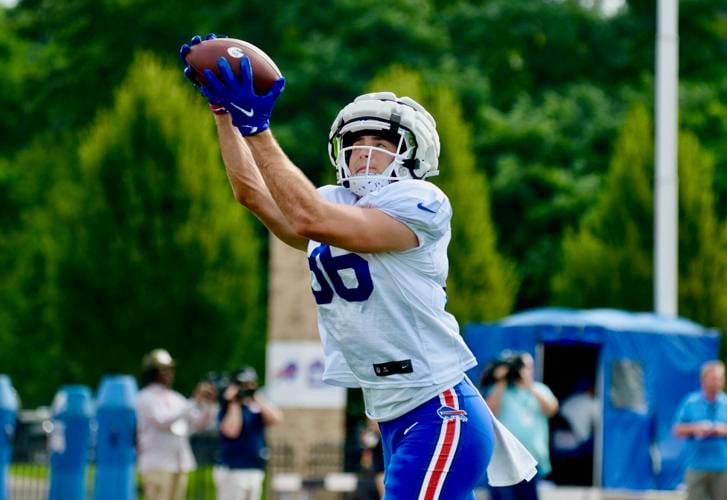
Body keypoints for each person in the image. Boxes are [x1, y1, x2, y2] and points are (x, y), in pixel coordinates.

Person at [179, 33, 537, 499]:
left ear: (412, 151)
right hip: (393, 411)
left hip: (439, 407)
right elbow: (253, 195)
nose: (365, 150)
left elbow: (309, 217)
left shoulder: (421, 202)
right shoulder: (333, 201)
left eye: (381, 141)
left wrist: (259, 129)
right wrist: (225, 115)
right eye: (356, 140)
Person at [135, 348, 217, 500]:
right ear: (152, 372)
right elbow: (163, 421)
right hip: (157, 463)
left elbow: (198, 424)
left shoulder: (176, 398)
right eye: (163, 370)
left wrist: (209, 404)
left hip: (179, 463)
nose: (168, 373)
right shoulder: (145, 397)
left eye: (170, 369)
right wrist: (193, 401)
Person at [483, 352, 559, 500]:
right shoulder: (500, 390)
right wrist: (501, 380)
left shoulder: (540, 389)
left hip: (531, 459)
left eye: (525, 367)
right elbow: (488, 412)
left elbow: (552, 409)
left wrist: (528, 384)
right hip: (504, 458)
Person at [213, 365, 283, 500]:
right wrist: (234, 401)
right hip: (233, 470)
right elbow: (232, 430)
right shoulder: (227, 407)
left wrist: (255, 396)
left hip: (255, 468)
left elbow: (276, 419)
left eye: (251, 383)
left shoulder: (256, 407)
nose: (247, 387)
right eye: (243, 384)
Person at [672, 360, 727, 500]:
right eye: (714, 378)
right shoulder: (690, 402)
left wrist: (719, 430)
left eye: (721, 379)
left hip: (722, 467)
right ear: (703, 380)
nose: (718, 383)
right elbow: (677, 430)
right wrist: (696, 428)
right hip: (696, 466)